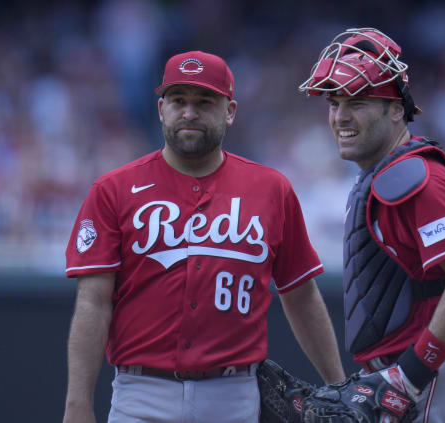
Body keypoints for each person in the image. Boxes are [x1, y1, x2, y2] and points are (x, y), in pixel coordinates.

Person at [62, 50, 346, 423]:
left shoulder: (271, 189)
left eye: (205, 101)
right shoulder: (114, 189)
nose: (190, 112)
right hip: (141, 394)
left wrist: (338, 388)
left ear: (229, 111)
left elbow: (300, 293)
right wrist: (77, 404)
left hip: (234, 395)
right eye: (179, 101)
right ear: (162, 109)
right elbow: (93, 303)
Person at [298, 28, 445, 422]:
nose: (340, 116)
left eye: (357, 103)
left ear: (397, 109)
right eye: (333, 103)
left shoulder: (414, 178)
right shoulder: (395, 172)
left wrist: (413, 371)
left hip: (426, 383)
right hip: (409, 377)